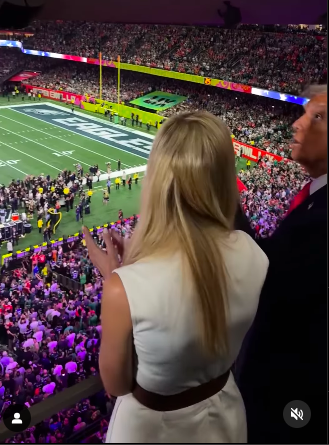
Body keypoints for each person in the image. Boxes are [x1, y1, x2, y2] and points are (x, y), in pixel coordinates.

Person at [82, 111, 269, 443]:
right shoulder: (253, 251)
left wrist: (120, 278)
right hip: (226, 415)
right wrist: (138, 266)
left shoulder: (122, 288)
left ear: (158, 180)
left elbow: (117, 384)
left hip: (152, 430)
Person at [235, 85, 327, 444]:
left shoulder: (320, 221)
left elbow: (267, 278)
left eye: (317, 116)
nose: (297, 125)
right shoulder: (311, 202)